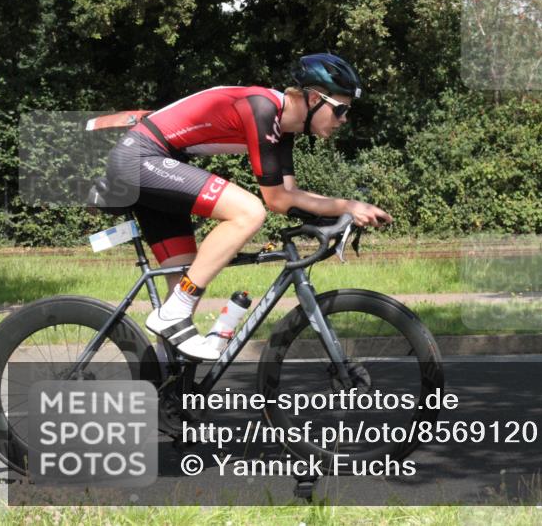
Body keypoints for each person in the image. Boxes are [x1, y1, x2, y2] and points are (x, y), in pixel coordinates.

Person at [104, 53, 392, 361]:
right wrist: (347, 205)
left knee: (189, 274)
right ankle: (172, 313)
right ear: (312, 98)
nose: (344, 119)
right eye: (340, 109)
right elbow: (273, 200)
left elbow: (287, 196)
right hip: (141, 159)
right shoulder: (262, 108)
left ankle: (167, 385)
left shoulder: (283, 130)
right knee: (249, 211)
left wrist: (342, 212)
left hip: (160, 165)